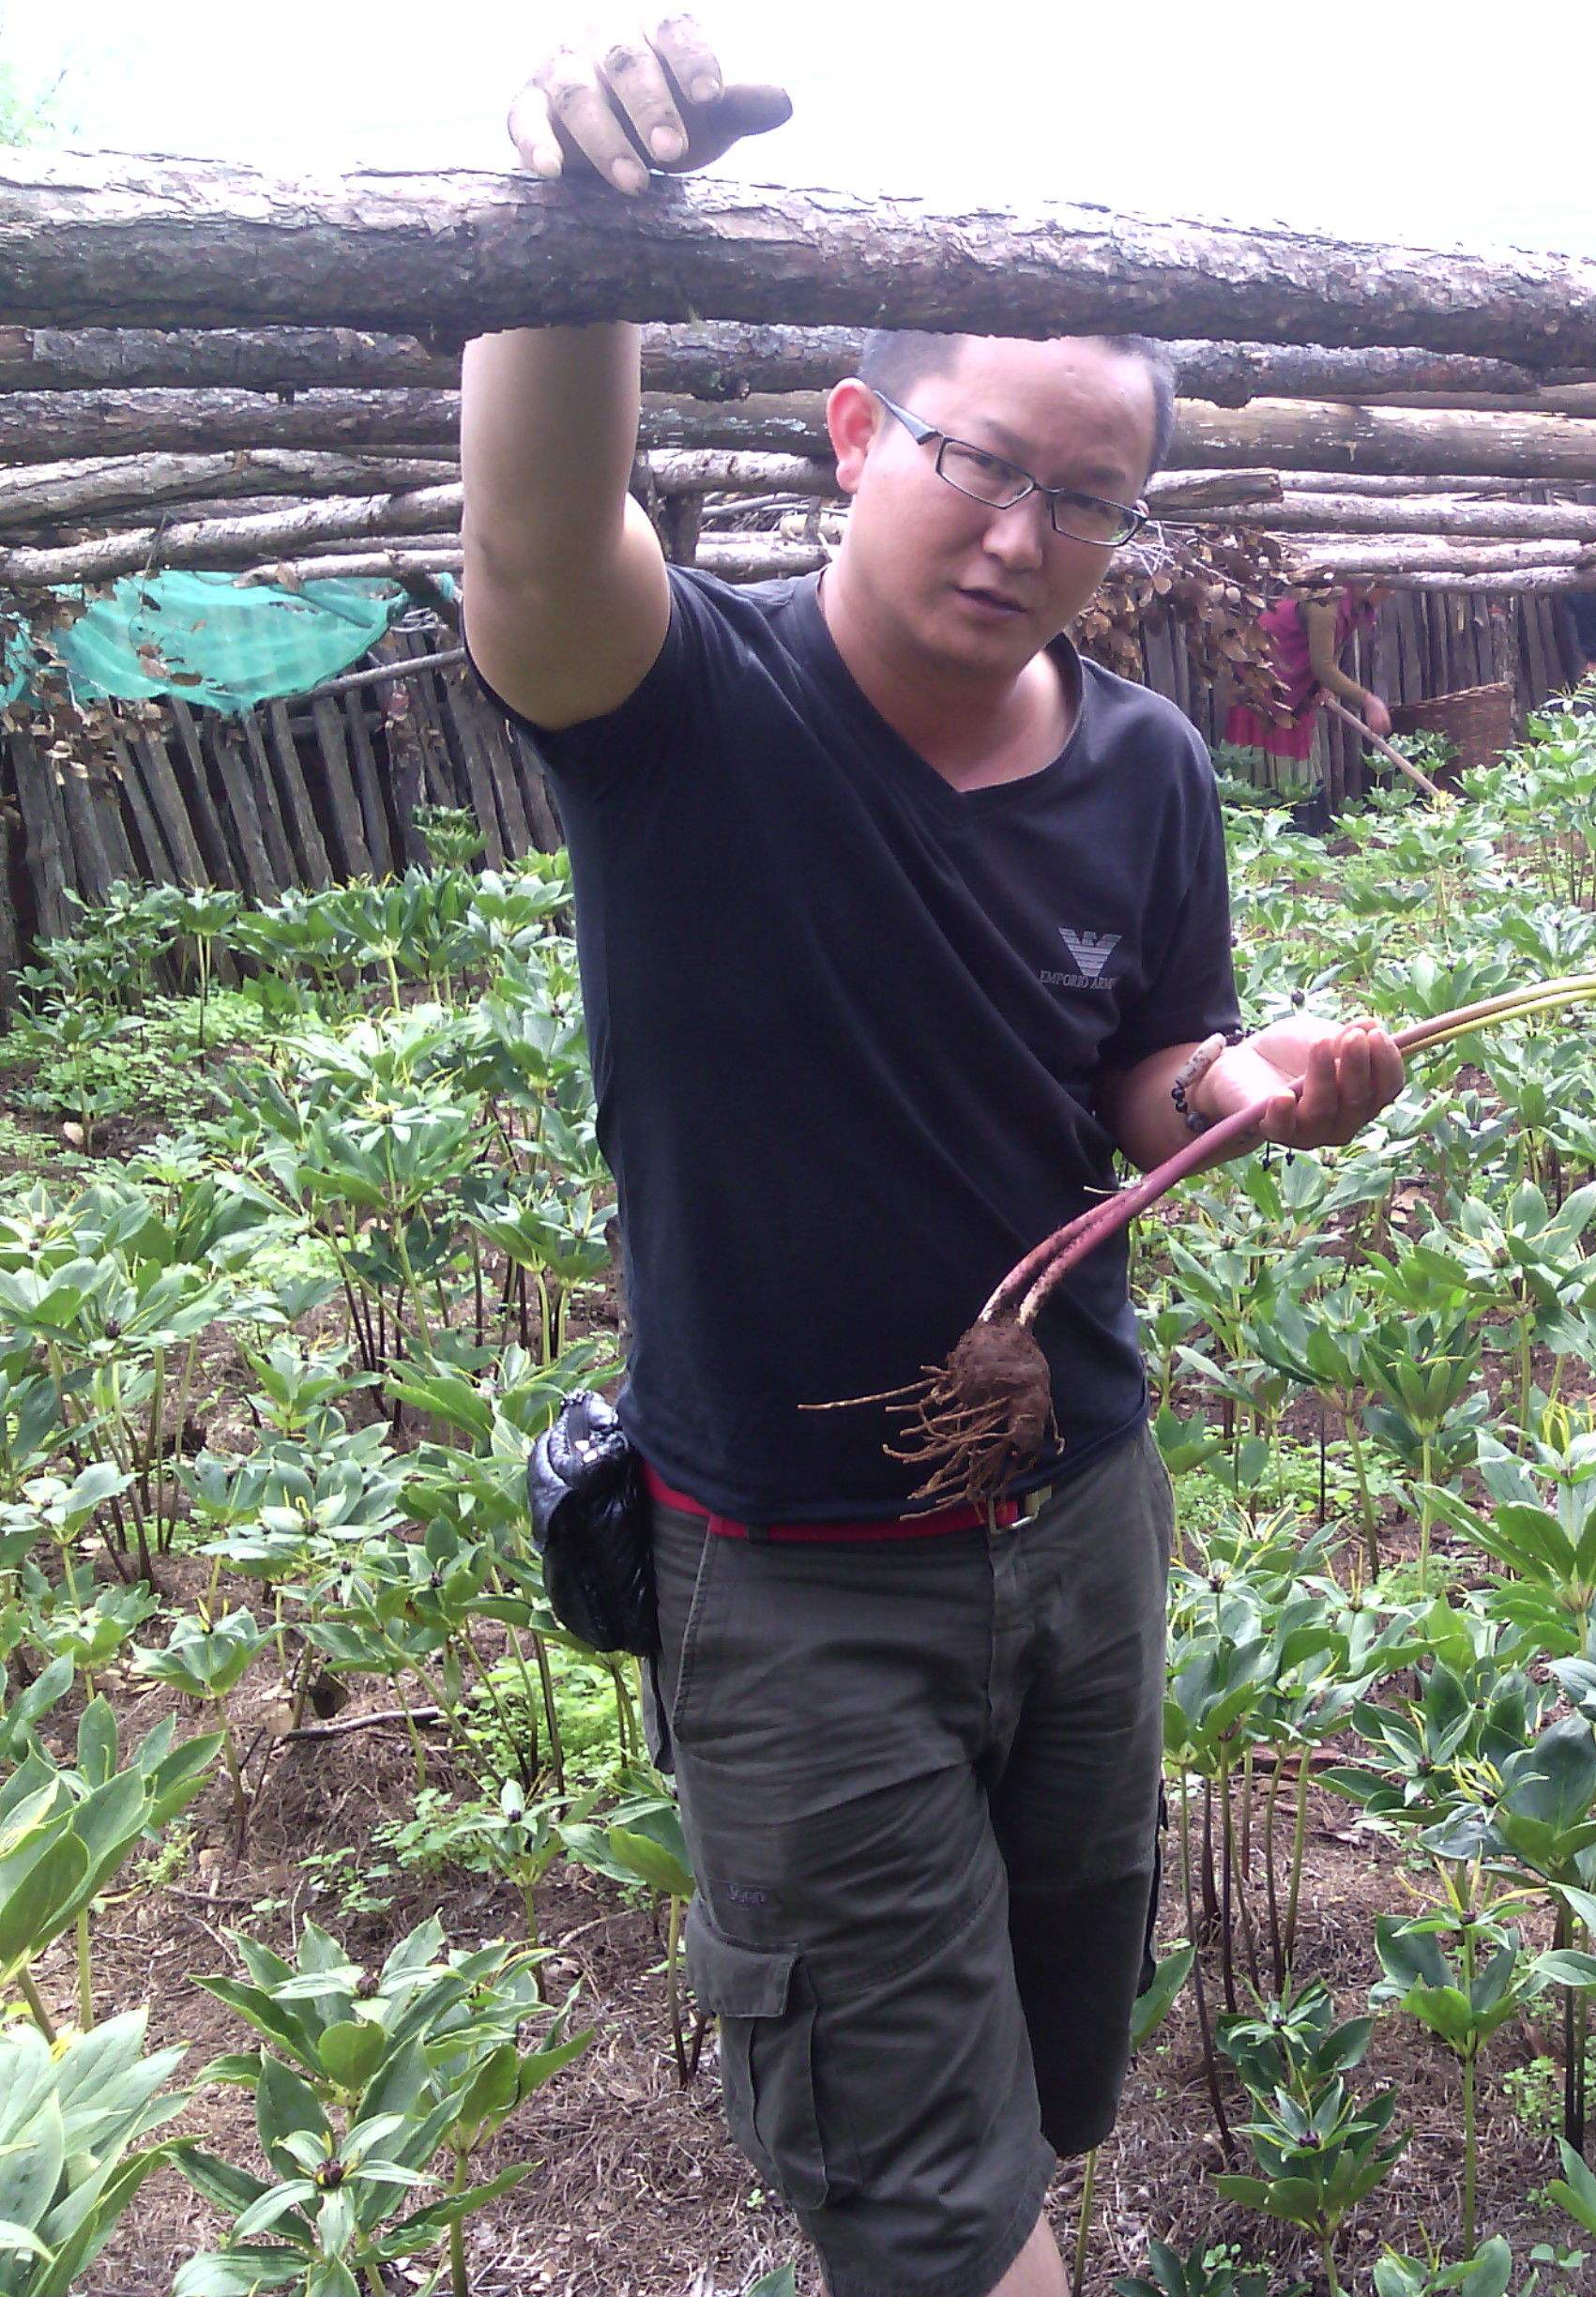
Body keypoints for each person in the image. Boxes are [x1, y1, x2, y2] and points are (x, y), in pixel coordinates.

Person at [464, 26, 1406, 2297]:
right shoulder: (686, 706)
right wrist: (579, 243)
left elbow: (1146, 1080)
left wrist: (1259, 1086)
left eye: (1087, 499)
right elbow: (533, 540)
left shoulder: (1152, 764)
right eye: (981, 465)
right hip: (795, 1570)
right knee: (941, 2212)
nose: (1023, 536)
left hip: (1078, 1511)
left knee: (1051, 2063)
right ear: (856, 433)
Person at [1221, 574, 1394, 760]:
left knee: (1291, 762)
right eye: (1389, 585)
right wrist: (1368, 701)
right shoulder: (1326, 604)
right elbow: (1323, 667)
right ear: (1370, 583)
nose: (1392, 593)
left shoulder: (1355, 606)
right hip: (1265, 675)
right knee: (1261, 756)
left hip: (1293, 680)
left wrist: (1324, 686)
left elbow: (1334, 645)